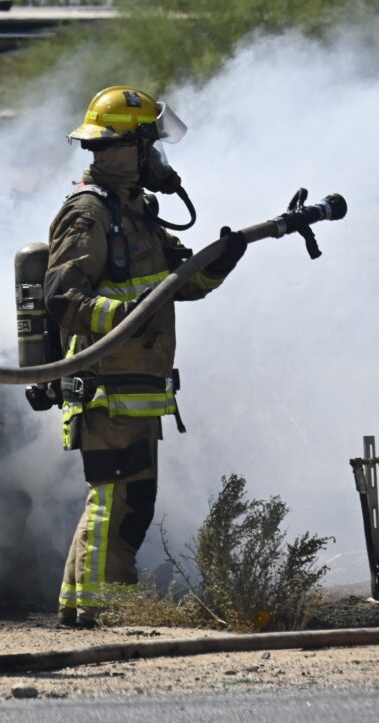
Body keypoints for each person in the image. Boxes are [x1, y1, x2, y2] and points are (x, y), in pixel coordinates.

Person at [44, 85, 246, 628]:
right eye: (149, 145)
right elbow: (64, 299)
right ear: (125, 148)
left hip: (138, 389)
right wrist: (128, 313)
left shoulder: (137, 212)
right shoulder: (88, 214)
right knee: (115, 504)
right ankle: (98, 612)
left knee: (127, 504)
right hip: (106, 388)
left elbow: (181, 283)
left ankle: (89, 605)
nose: (156, 158)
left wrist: (221, 262)